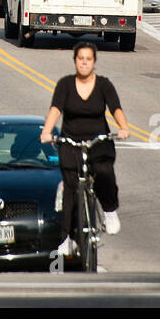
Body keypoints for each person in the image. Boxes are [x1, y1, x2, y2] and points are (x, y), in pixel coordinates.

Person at [39, 41, 128, 256]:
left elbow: (115, 108)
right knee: (70, 187)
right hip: (71, 142)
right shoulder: (65, 84)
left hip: (98, 141)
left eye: (88, 59)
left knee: (104, 172)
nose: (84, 63)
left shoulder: (104, 84)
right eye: (81, 59)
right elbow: (55, 109)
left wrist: (123, 127)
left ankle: (109, 210)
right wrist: (47, 131)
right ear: (75, 61)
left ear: (94, 62)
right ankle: (67, 238)